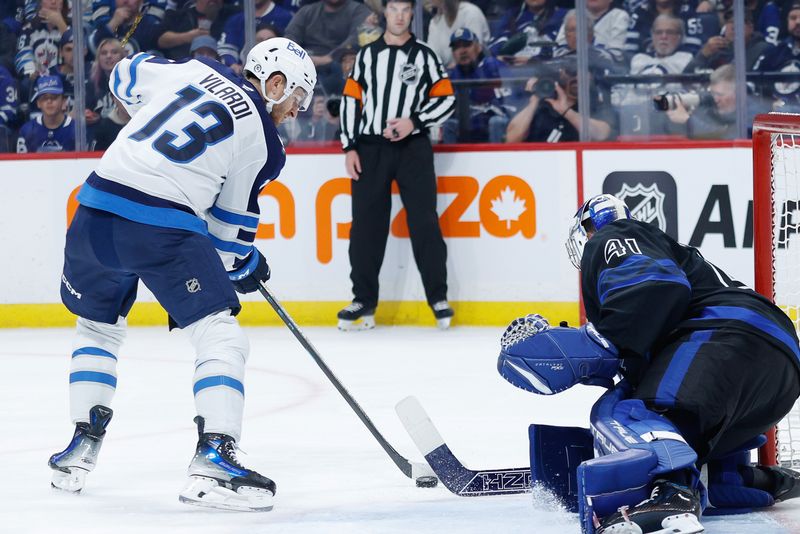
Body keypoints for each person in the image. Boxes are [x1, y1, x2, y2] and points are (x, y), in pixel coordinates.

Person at [47, 37, 317, 512]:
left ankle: (78, 449)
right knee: (222, 338)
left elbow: (124, 74)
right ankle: (215, 454)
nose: (297, 110)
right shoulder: (264, 142)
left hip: (92, 209)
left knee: (97, 327)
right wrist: (247, 264)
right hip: (158, 224)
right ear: (275, 84)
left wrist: (150, 115)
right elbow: (226, 238)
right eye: (298, 96)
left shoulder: (192, 72)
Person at [498, 193, 800, 533]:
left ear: (586, 230)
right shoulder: (663, 252)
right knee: (679, 422)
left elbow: (656, 289)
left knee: (631, 413)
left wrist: (597, 341)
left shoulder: (613, 234)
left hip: (721, 336)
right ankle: (734, 478)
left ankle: (670, 497)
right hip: (778, 371)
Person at [338, 0, 456, 330]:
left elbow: (446, 99)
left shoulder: (425, 56)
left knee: (424, 223)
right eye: (394, 9)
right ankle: (363, 300)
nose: (400, 16)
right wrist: (349, 146)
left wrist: (415, 122)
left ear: (411, 15)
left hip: (413, 148)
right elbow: (351, 101)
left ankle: (438, 297)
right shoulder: (366, 56)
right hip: (371, 148)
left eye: (406, 10)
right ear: (385, 14)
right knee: (365, 227)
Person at [284, 0, 372, 94]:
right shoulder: (306, 11)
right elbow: (290, 37)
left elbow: (357, 37)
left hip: (340, 66)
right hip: (305, 65)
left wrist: (329, 58)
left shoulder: (359, 10)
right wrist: (300, 58)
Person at [444, 27, 506, 143]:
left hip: (490, 125)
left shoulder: (493, 66)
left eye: (466, 45)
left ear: (478, 47)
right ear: (453, 53)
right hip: (466, 128)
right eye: (456, 47)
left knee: (497, 122)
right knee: (449, 124)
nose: (462, 51)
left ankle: (497, 159)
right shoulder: (450, 76)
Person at [218, 0, 293, 72]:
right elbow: (226, 49)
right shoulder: (236, 20)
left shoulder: (286, 18)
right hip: (242, 76)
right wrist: (233, 64)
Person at [156, 0, 231, 61]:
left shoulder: (232, 16)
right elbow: (159, 40)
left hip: (219, 69)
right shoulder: (179, 17)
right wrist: (187, 37)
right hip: (181, 67)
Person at [17, 74, 74, 153]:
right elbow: (21, 163)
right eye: (44, 98)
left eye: (54, 97)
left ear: (63, 101)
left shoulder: (76, 129)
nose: (49, 101)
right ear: (38, 103)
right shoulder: (27, 131)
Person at [426, 0, 490, 67]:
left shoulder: (471, 13)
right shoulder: (434, 22)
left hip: (477, 72)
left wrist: (451, 71)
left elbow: (474, 52)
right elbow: (431, 57)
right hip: (448, 73)